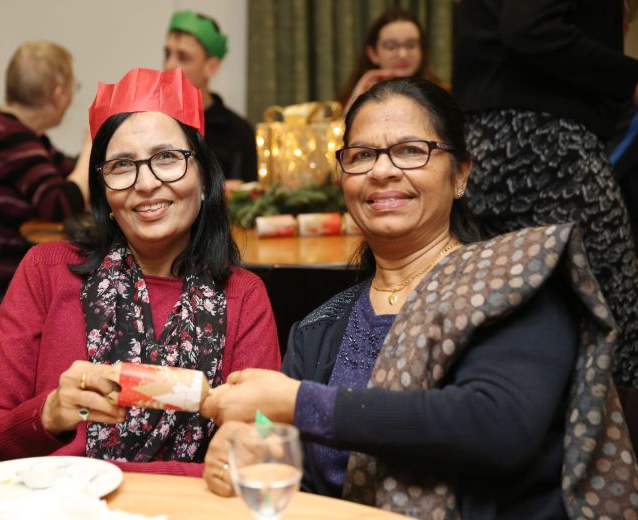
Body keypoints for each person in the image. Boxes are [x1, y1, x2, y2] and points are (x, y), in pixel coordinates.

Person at [200, 78, 638, 518]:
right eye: (362, 156)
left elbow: (496, 428)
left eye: (411, 150)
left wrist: (298, 402)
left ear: (461, 174)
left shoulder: (517, 279)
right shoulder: (318, 331)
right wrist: (250, 450)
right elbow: (299, 478)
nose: (382, 170)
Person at [0, 67, 281, 476]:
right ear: (103, 191)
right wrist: (48, 414)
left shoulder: (243, 296)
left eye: (167, 158)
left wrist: (240, 454)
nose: (145, 183)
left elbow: (264, 453)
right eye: (122, 165)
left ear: (205, 179)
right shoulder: (48, 273)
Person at [452, 0, 638, 387]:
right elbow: (530, 27)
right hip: (541, 140)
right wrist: (628, 78)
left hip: (499, 139)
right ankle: (616, 440)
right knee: (613, 309)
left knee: (514, 315)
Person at [0, 40, 91, 302]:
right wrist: (91, 147)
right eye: (73, 89)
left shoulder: (14, 133)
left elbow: (64, 168)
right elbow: (59, 204)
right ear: (57, 96)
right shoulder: (11, 138)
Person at [164, 10, 257, 183]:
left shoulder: (238, 132)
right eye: (167, 54)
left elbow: (251, 202)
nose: (169, 64)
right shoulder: (153, 122)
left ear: (211, 67)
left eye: (183, 57)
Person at [336, 7, 448, 112]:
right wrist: (355, 103)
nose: (402, 54)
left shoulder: (446, 95)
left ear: (422, 50)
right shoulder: (345, 102)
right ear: (373, 54)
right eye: (391, 46)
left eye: (410, 45)